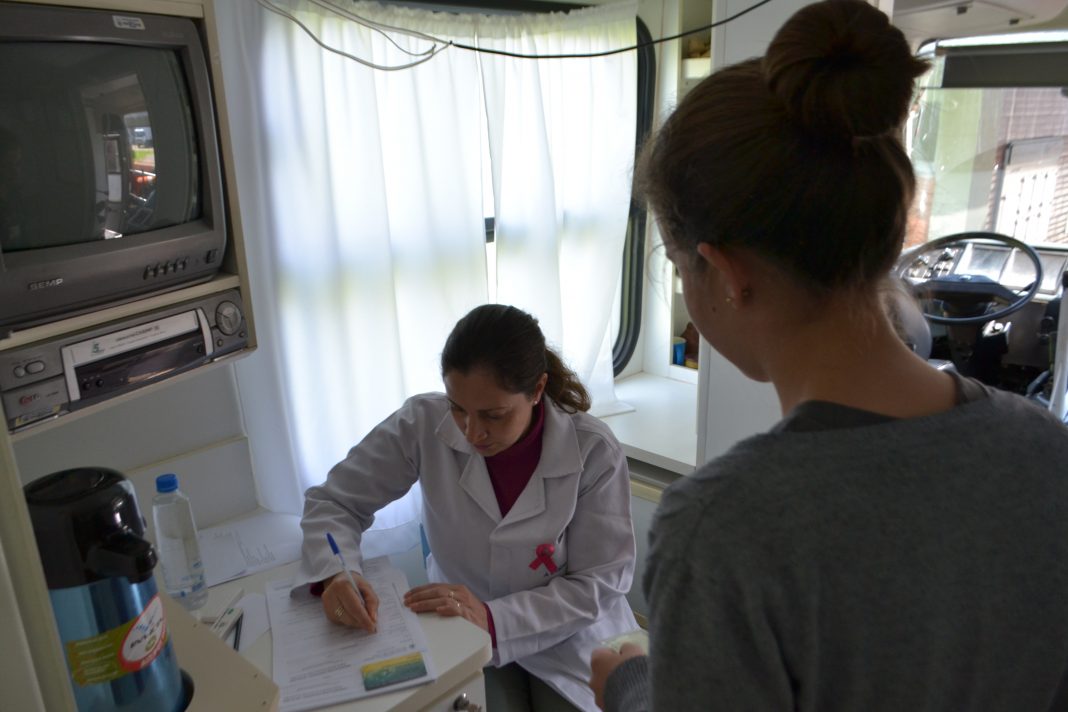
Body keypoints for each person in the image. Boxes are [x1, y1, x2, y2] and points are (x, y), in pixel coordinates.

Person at [589, 1, 1068, 709]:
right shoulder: (1044, 446)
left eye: (676, 263)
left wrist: (630, 684)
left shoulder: (725, 528)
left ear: (724, 272)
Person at [296, 303, 639, 712]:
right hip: (460, 626)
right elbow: (334, 502)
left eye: (494, 415)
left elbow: (600, 582)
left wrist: (494, 619)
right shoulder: (422, 424)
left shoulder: (593, 451)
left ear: (537, 390)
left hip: (571, 636)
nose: (473, 432)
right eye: (458, 408)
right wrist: (339, 573)